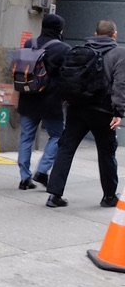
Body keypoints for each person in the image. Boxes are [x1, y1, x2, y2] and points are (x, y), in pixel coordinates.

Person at [46, 20, 125, 208]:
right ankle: (108, 196)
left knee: (66, 148)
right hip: (102, 110)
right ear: (114, 34)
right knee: (106, 152)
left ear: (95, 33)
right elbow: (120, 85)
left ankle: (54, 195)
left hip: (76, 107)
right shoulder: (119, 53)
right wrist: (119, 112)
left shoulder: (81, 49)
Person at [15, 13, 69, 190]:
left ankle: (24, 177)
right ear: (59, 29)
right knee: (57, 136)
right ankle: (43, 170)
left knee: (26, 137)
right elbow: (65, 76)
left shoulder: (30, 44)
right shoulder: (63, 49)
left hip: (28, 97)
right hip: (50, 102)